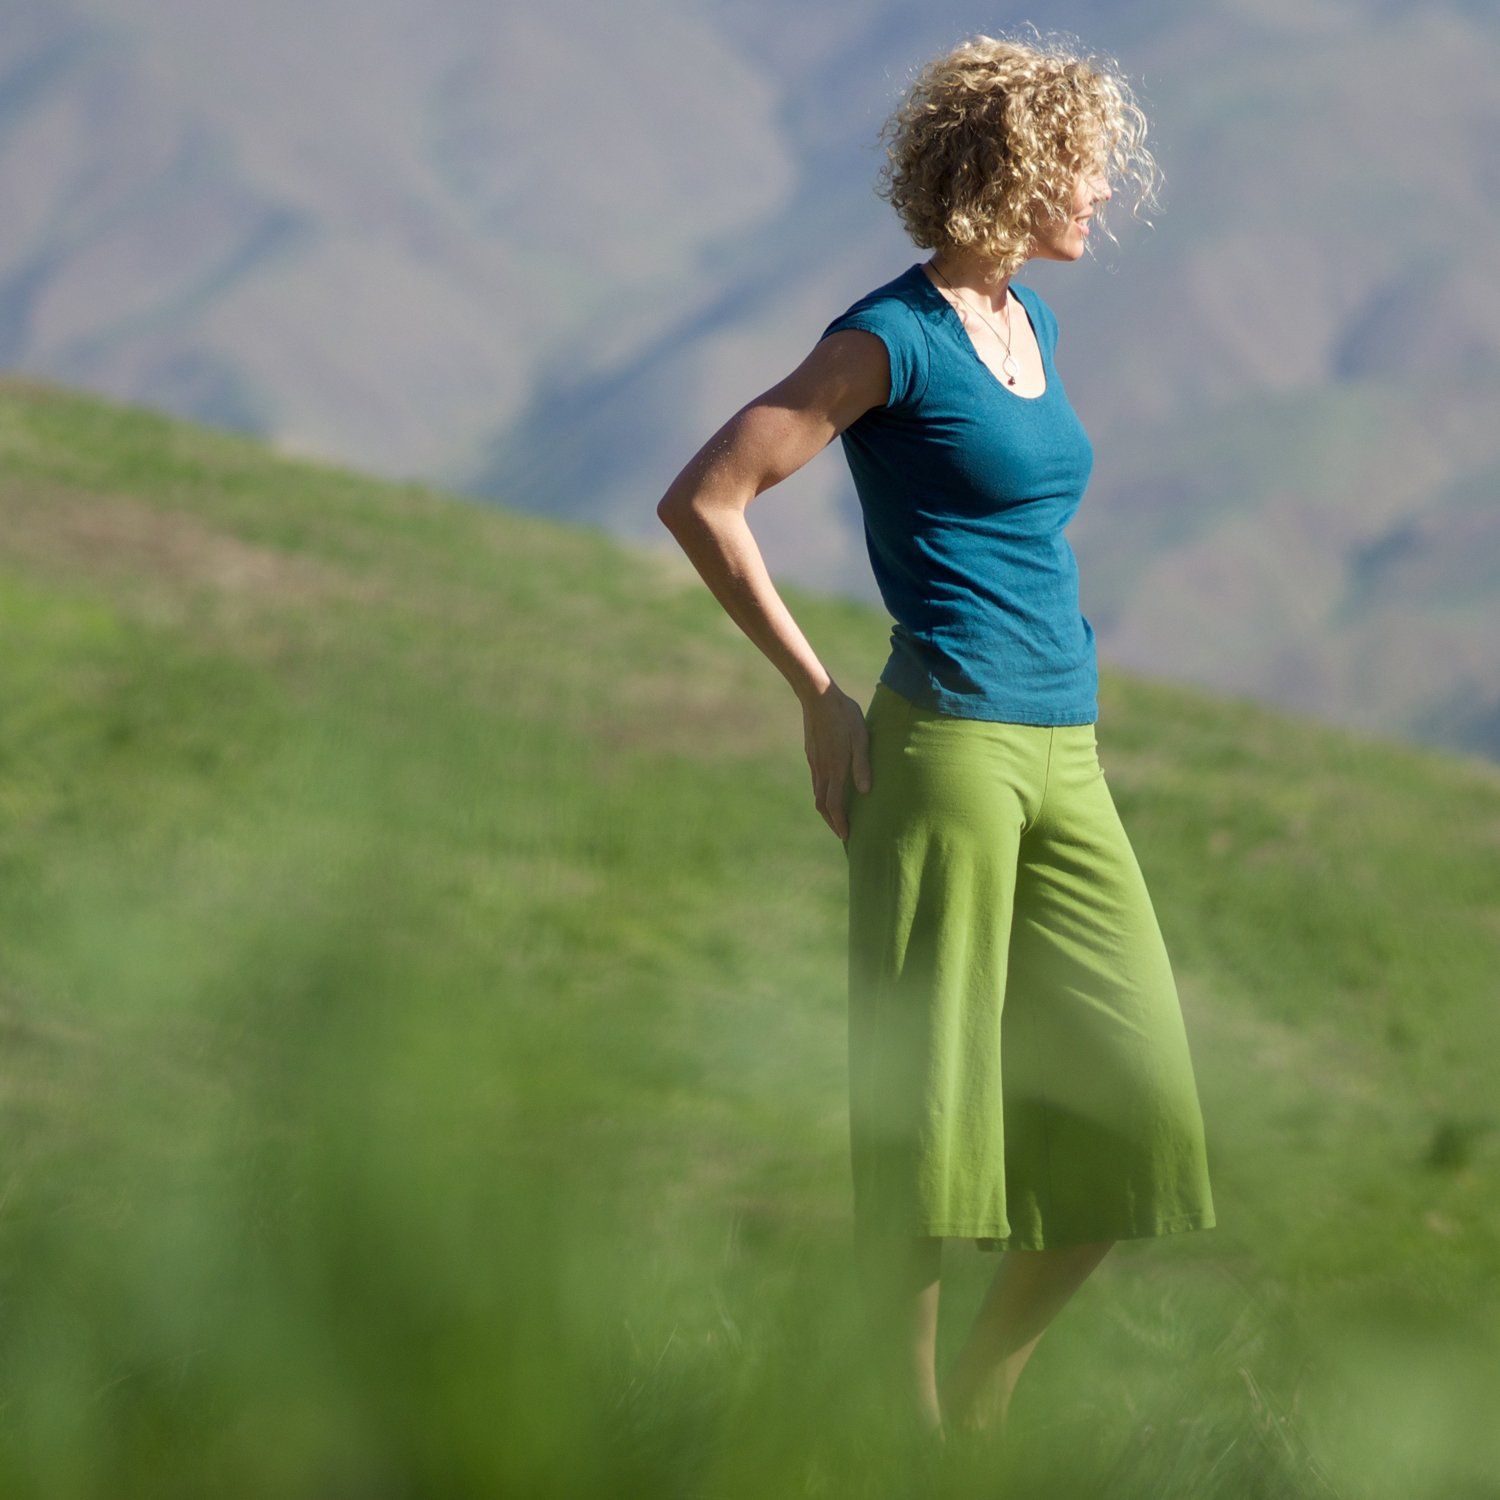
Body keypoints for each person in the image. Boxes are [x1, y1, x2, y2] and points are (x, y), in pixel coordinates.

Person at [656, 30, 1216, 1447]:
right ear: (1014, 170)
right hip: (945, 750)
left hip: (1065, 753)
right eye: (1080, 165)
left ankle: (981, 1394)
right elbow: (708, 499)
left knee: (1141, 1108)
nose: (1098, 190)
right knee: (927, 1118)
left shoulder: (1033, 327)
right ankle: (903, 1443)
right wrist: (817, 697)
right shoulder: (887, 338)